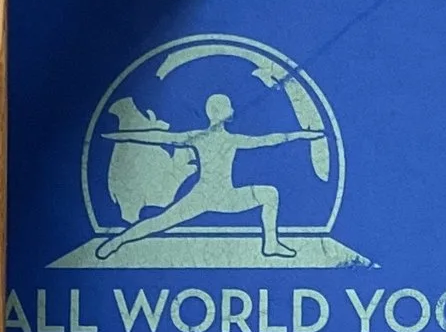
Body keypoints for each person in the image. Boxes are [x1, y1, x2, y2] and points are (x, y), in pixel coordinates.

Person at [96, 89, 307, 259]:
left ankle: (271, 245)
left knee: (269, 194)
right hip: (201, 196)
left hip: (227, 196)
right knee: (159, 222)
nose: (232, 108)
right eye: (227, 105)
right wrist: (122, 136)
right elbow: (158, 137)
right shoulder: (198, 137)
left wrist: (302, 135)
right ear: (217, 111)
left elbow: (270, 139)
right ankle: (118, 241)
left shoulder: (233, 140)